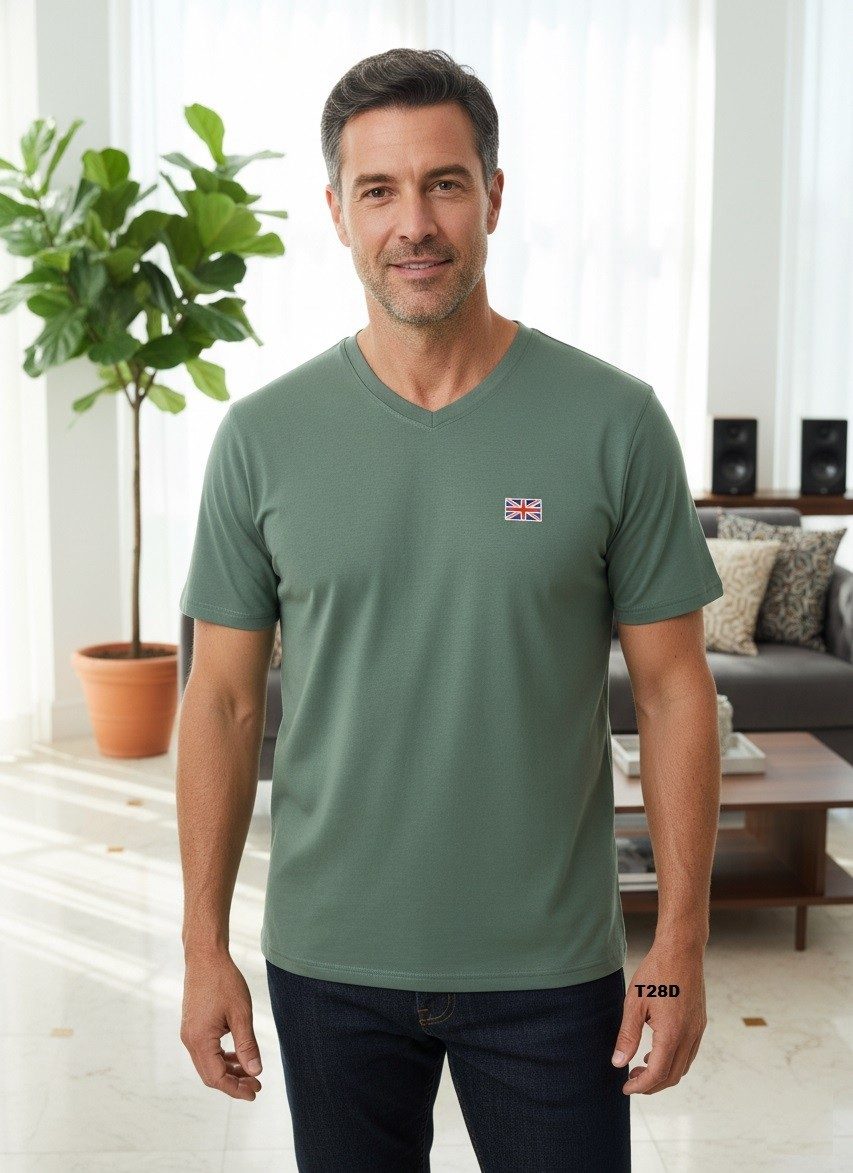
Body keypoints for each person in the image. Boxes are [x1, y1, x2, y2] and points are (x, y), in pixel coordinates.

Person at [177, 46, 724, 1172]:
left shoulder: (615, 422)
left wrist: (677, 946)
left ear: (493, 196)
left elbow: (675, 691)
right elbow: (222, 702)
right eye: (378, 190)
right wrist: (201, 946)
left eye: (443, 184)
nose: (413, 223)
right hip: (330, 966)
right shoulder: (262, 439)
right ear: (337, 211)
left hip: (553, 971)